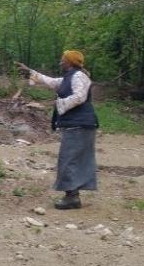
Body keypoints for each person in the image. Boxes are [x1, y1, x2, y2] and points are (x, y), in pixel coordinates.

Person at [16, 50, 99, 210]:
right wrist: (30, 72)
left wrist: (59, 104)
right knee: (72, 159)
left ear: (70, 62)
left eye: (63, 60)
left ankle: (72, 197)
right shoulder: (70, 77)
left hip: (80, 125)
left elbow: (80, 96)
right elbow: (50, 81)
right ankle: (72, 195)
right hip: (79, 125)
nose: (60, 62)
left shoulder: (78, 76)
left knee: (68, 160)